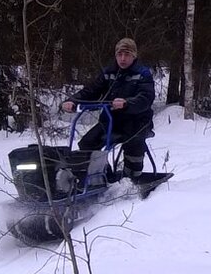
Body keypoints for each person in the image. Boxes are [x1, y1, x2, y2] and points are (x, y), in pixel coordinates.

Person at [62, 37, 156, 179]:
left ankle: (132, 178)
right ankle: (102, 176)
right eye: (119, 54)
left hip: (137, 121)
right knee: (87, 142)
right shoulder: (109, 73)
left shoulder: (143, 74)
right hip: (111, 120)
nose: (123, 58)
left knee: (133, 142)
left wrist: (126, 103)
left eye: (127, 55)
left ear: (133, 56)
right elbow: (91, 90)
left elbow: (145, 99)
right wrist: (72, 101)